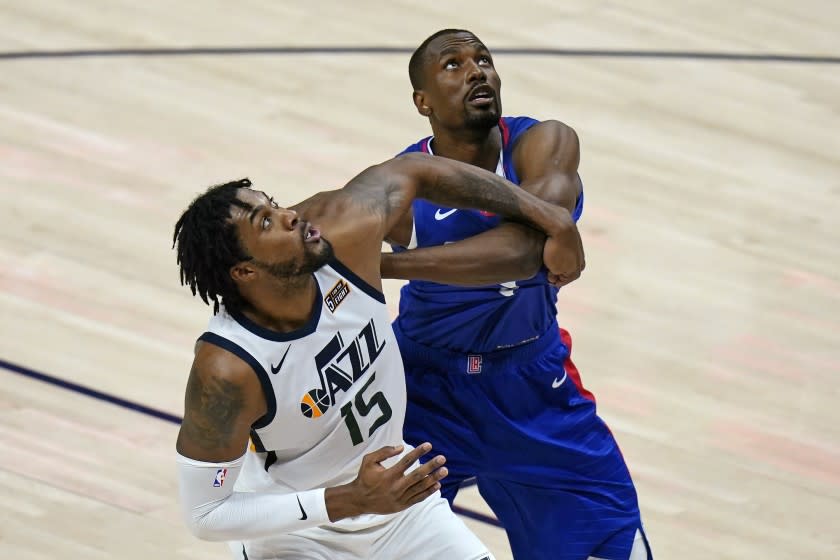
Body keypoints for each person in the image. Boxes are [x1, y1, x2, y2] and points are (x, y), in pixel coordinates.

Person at [172, 151, 577, 560]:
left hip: (398, 507)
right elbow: (205, 514)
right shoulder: (229, 368)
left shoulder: (343, 235)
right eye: (265, 222)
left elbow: (417, 171)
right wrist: (352, 499)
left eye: (273, 204)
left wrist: (551, 218)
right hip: (298, 531)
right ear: (244, 272)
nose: (288, 215)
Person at [381, 29, 652, 560]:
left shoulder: (544, 142)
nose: (476, 70)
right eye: (453, 65)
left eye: (483, 59)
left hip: (534, 387)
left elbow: (523, 250)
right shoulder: (397, 183)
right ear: (423, 102)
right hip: (423, 391)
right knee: (360, 542)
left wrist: (386, 264)